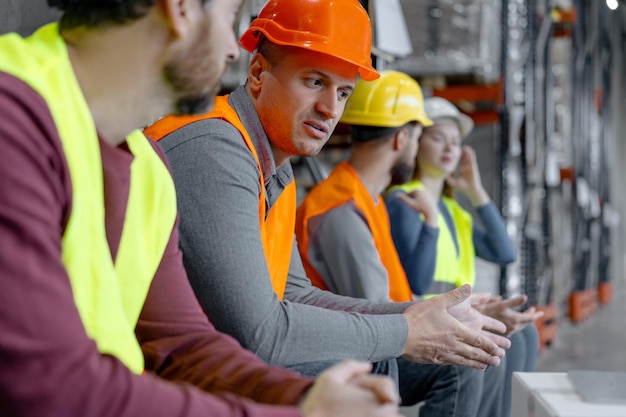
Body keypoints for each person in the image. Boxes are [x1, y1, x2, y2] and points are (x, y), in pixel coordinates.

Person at [0, 0, 404, 415]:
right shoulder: (11, 122)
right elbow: (52, 387)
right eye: (230, 18)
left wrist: (304, 398)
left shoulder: (146, 165)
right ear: (181, 9)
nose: (233, 49)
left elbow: (181, 344)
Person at [145, 2, 511, 416]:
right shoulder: (215, 149)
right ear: (258, 73)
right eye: (314, 81)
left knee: (452, 359)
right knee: (367, 364)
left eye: (342, 92)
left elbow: (295, 293)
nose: (330, 108)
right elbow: (258, 333)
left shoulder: (273, 172)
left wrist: (422, 315)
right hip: (163, 379)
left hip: (214, 364)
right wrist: (405, 330)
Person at [295, 70, 510, 417]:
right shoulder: (340, 210)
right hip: (351, 346)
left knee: (483, 350)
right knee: (466, 361)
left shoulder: (369, 201)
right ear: (402, 139)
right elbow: (374, 308)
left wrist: (454, 312)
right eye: (421, 135)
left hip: (380, 328)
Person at [385, 96, 542, 417]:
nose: (448, 148)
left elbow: (504, 252)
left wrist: (476, 191)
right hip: (424, 318)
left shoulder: (455, 212)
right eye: (438, 138)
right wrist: (428, 218)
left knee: (524, 334)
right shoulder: (404, 199)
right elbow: (417, 279)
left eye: (455, 142)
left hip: (458, 314)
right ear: (416, 142)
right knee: (489, 347)